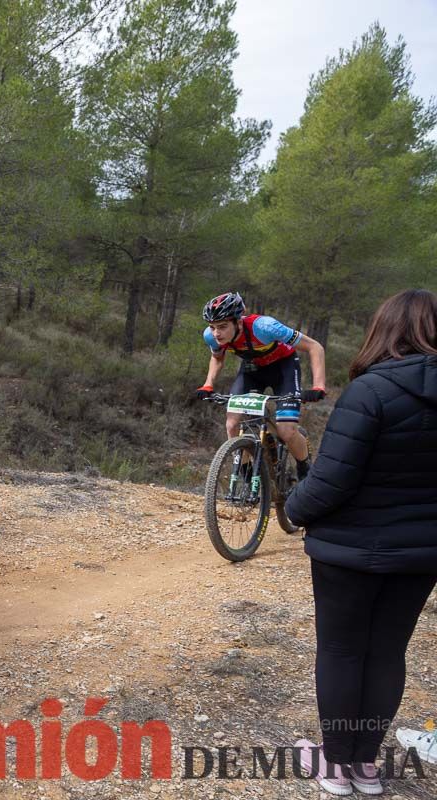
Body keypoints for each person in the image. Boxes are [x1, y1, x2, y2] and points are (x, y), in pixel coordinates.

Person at [283, 289, 437, 796]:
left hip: (349, 551)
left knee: (343, 652)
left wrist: (293, 508)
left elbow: (330, 482)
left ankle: (334, 765)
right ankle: (366, 768)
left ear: (384, 331)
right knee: (388, 652)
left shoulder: (370, 393)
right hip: (421, 554)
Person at [195, 291, 326, 479]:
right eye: (212, 327)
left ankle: (304, 469)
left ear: (238, 322)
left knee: (286, 430)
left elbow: (315, 347)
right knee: (232, 424)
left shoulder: (265, 327)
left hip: (284, 369)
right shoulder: (210, 336)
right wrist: (208, 384)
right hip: (252, 371)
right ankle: (249, 477)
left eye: (222, 327)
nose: (216, 333)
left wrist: (318, 386)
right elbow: (217, 358)